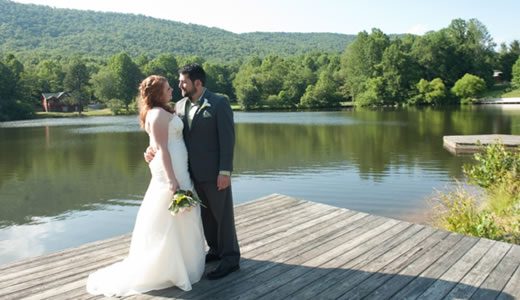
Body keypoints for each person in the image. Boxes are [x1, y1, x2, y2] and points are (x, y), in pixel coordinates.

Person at [86, 75, 205, 297]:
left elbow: (157, 145)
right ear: (157, 94)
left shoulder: (163, 111)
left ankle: (184, 262)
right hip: (172, 169)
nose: (172, 91)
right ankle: (169, 267)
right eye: (168, 89)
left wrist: (150, 153)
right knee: (171, 213)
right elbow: (163, 149)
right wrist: (172, 179)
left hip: (178, 166)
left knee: (178, 214)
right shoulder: (158, 114)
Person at [145, 63, 240, 280]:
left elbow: (228, 140)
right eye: (178, 82)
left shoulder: (219, 103)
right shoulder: (178, 106)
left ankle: (231, 259)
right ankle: (215, 250)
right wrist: (150, 150)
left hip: (215, 173)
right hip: (189, 174)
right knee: (205, 216)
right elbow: (165, 137)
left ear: (197, 82)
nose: (179, 85)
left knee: (222, 216)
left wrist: (225, 171)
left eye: (183, 81)